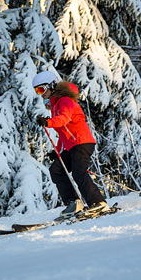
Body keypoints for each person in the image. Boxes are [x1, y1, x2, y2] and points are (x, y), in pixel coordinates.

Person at [32, 71, 109, 218]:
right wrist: (59, 151)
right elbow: (63, 133)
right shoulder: (55, 106)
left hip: (82, 142)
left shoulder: (65, 101)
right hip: (72, 145)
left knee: (79, 172)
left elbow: (63, 119)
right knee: (56, 170)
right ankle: (74, 203)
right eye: (37, 91)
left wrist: (48, 122)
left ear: (52, 85)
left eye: (41, 89)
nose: (40, 94)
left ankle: (98, 203)